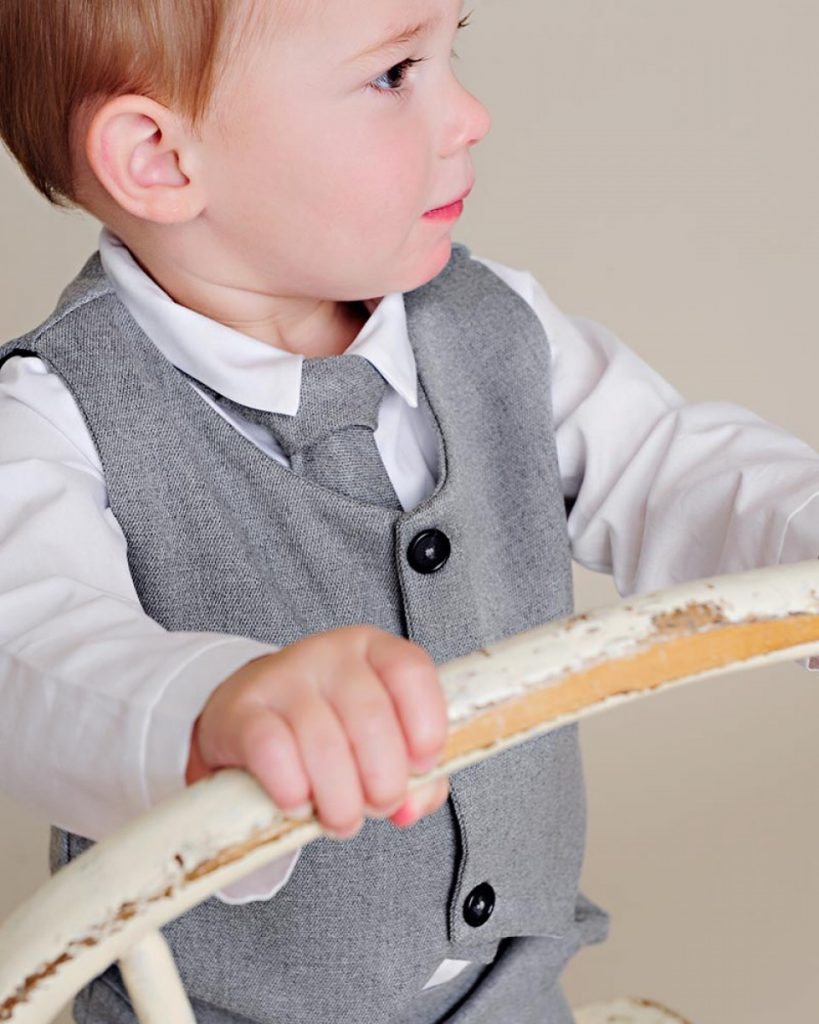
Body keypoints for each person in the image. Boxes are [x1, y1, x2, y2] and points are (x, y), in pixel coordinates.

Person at [0, 2, 816, 1022]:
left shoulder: (493, 329)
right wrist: (210, 707)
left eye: (450, 50)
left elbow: (676, 470)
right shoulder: (58, 414)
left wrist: (800, 525)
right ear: (160, 159)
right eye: (394, 74)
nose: (470, 114)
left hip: (511, 999)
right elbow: (29, 644)